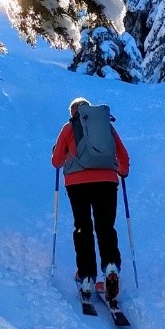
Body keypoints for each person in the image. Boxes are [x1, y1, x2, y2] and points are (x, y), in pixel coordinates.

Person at [51, 97, 131, 305]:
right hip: (107, 181)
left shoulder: (69, 128)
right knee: (106, 227)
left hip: (77, 184)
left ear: (73, 112)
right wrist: (122, 171)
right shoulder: (106, 127)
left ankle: (86, 276)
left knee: (83, 227)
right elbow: (123, 154)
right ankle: (111, 266)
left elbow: (57, 161)